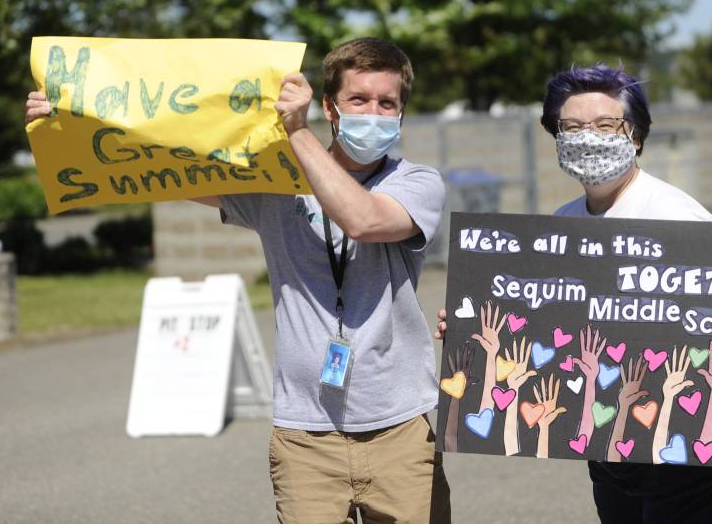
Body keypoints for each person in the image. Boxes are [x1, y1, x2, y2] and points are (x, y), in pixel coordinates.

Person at [27, 38, 451, 524]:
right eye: (359, 100)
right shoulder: (275, 182)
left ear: (401, 113)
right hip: (304, 437)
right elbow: (169, 165)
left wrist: (296, 133)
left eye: (387, 103)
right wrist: (69, 122)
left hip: (397, 429)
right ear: (331, 107)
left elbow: (364, 220)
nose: (373, 112)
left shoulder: (417, 182)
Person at [435, 63, 712, 524]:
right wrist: (469, 333)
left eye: (606, 125)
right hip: (612, 453)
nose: (589, 137)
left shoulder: (677, 219)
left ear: (636, 136)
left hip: (692, 463)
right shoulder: (563, 225)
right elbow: (548, 322)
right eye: (573, 127)